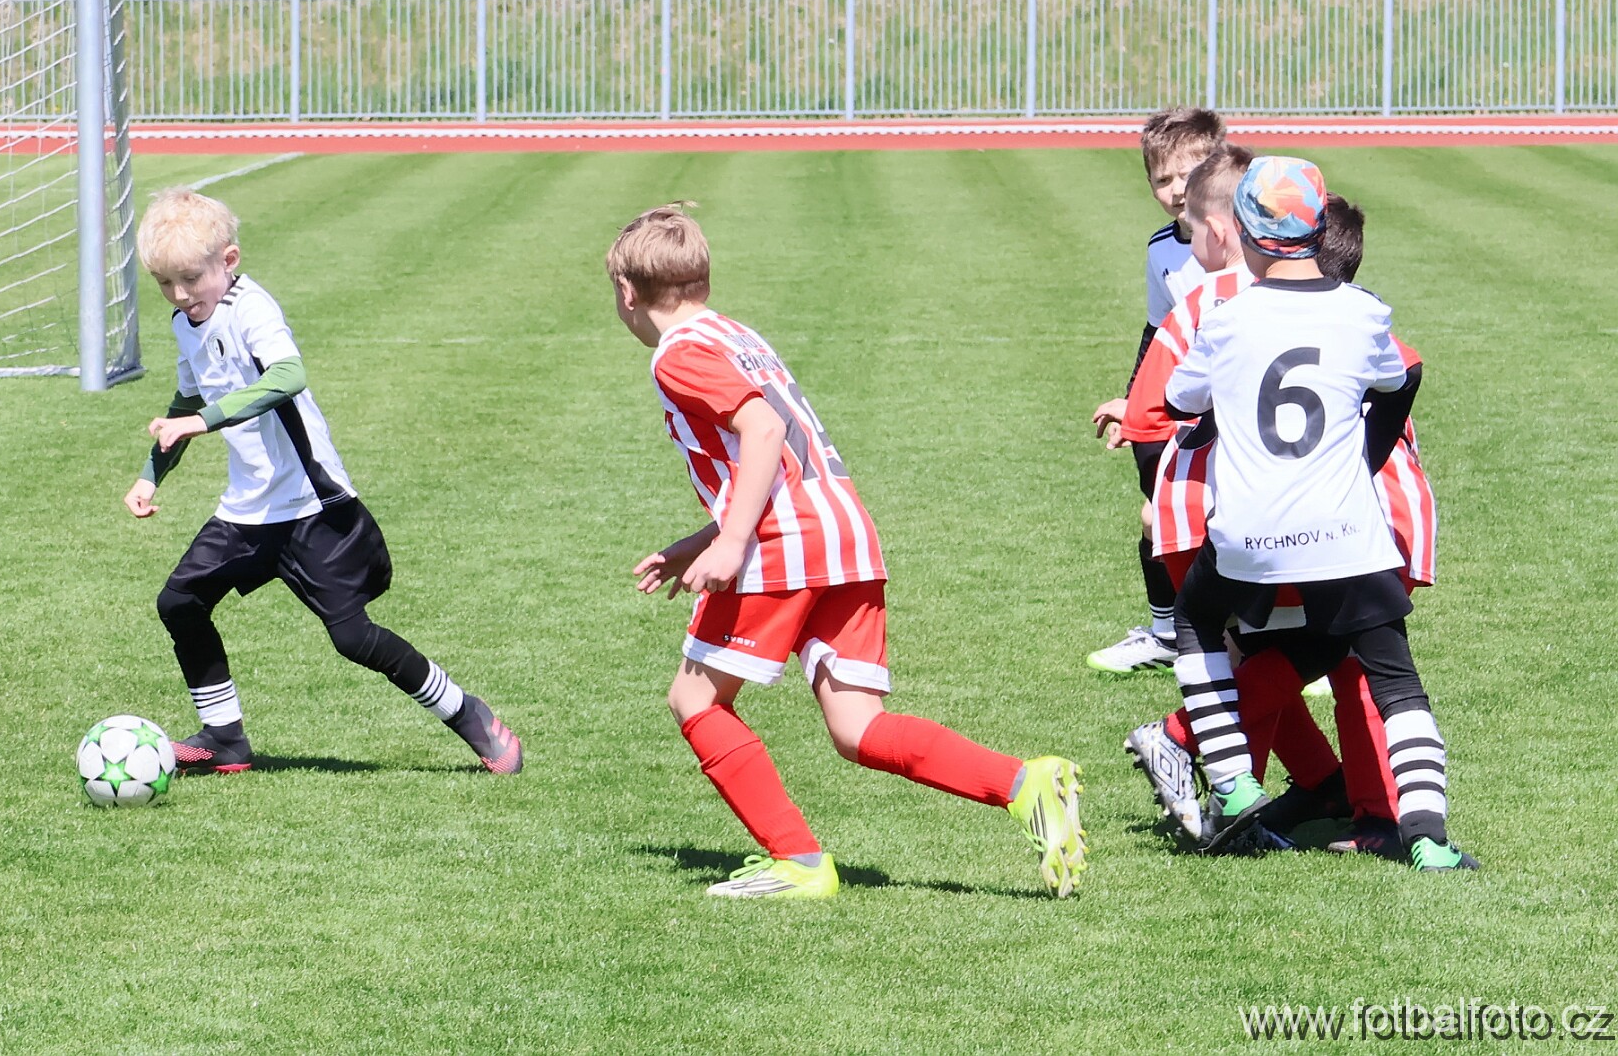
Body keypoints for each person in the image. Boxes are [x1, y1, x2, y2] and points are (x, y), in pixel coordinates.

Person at [608, 203, 1085, 900]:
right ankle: (1023, 784)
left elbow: (764, 432)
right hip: (845, 532)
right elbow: (773, 457)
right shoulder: (738, 336)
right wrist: (698, 542)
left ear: (627, 292)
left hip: (785, 544)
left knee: (695, 698)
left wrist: (733, 541)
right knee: (858, 728)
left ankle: (798, 863)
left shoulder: (678, 354)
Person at [123, 188, 521, 775]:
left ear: (228, 261)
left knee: (352, 638)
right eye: (165, 283)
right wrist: (150, 476)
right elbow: (188, 400)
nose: (180, 295)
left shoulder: (251, 308)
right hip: (247, 510)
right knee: (179, 603)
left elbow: (288, 376)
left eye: (190, 279)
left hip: (311, 504)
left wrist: (203, 421)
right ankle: (224, 738)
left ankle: (468, 713)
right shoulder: (186, 322)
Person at [1163, 156, 1475, 870]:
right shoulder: (1364, 312)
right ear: (1316, 231)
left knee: (1196, 620)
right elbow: (1401, 376)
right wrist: (1367, 451)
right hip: (1346, 530)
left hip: (1248, 533)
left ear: (1246, 235)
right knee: (1395, 677)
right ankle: (1427, 837)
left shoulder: (1227, 318)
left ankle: (1234, 783)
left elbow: (1181, 400)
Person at [1088, 108, 1228, 674]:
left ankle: (1300, 650)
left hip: (1241, 405)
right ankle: (1168, 633)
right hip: (1185, 406)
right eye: (1161, 179)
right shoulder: (1160, 251)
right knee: (1157, 517)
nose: (1175, 190)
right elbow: (1156, 335)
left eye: (1187, 175)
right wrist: (1133, 403)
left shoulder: (1252, 243)